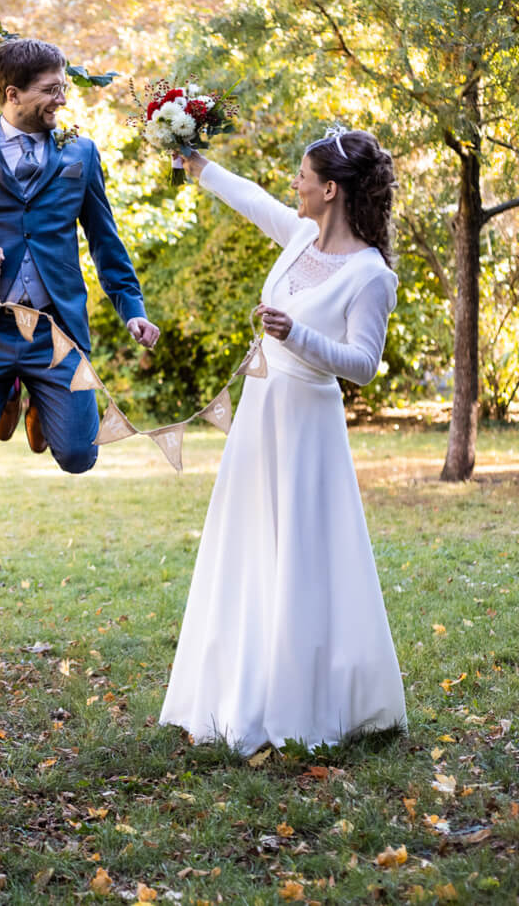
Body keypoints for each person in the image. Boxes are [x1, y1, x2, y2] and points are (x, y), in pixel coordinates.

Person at [159, 128, 407, 754]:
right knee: (249, 545)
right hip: (260, 412)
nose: (293, 185)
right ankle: (239, 684)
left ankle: (304, 698)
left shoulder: (370, 274)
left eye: (302, 176)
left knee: (301, 553)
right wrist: (200, 167)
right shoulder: (298, 235)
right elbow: (252, 199)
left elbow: (362, 364)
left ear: (330, 189)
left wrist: (296, 335)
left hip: (308, 422)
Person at [0, 38, 160, 475]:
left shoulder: (81, 153)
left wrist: (133, 310)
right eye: (51, 90)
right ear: (13, 94)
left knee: (78, 457)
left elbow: (105, 241)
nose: (62, 99)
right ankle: (9, 390)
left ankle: (38, 403)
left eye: (63, 87)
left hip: (57, 330)